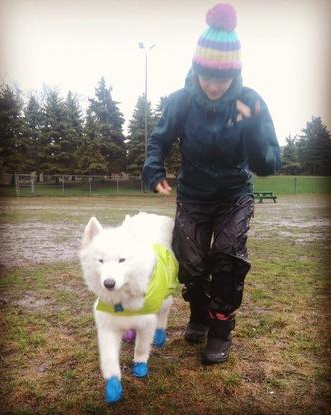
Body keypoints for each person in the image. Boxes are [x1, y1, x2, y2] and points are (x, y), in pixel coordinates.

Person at [142, 2, 281, 365]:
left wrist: (252, 129)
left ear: (235, 74)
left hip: (235, 194)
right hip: (193, 195)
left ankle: (220, 332)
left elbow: (269, 162)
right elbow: (159, 140)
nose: (214, 85)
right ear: (196, 68)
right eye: (207, 76)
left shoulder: (250, 102)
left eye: (222, 78)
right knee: (190, 264)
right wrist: (154, 170)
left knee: (227, 260)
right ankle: (199, 315)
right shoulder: (181, 102)